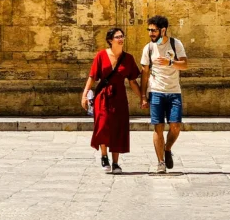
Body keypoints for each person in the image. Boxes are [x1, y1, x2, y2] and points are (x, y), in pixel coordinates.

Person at [81, 27, 142, 174]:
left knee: (118, 128)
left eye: (122, 36)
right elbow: (92, 77)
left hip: (119, 96)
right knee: (102, 126)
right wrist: (84, 94)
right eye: (117, 37)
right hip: (102, 96)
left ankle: (115, 163)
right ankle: (104, 156)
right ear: (110, 40)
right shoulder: (101, 56)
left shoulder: (128, 58)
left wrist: (142, 97)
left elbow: (133, 81)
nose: (121, 39)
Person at [140, 14, 188, 174]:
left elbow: (185, 65)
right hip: (156, 92)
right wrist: (142, 96)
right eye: (149, 30)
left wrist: (170, 63)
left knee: (175, 126)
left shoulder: (175, 44)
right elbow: (144, 73)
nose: (150, 33)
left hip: (174, 91)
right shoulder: (148, 48)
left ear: (163, 30)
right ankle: (160, 162)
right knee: (158, 127)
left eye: (153, 30)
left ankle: (167, 148)